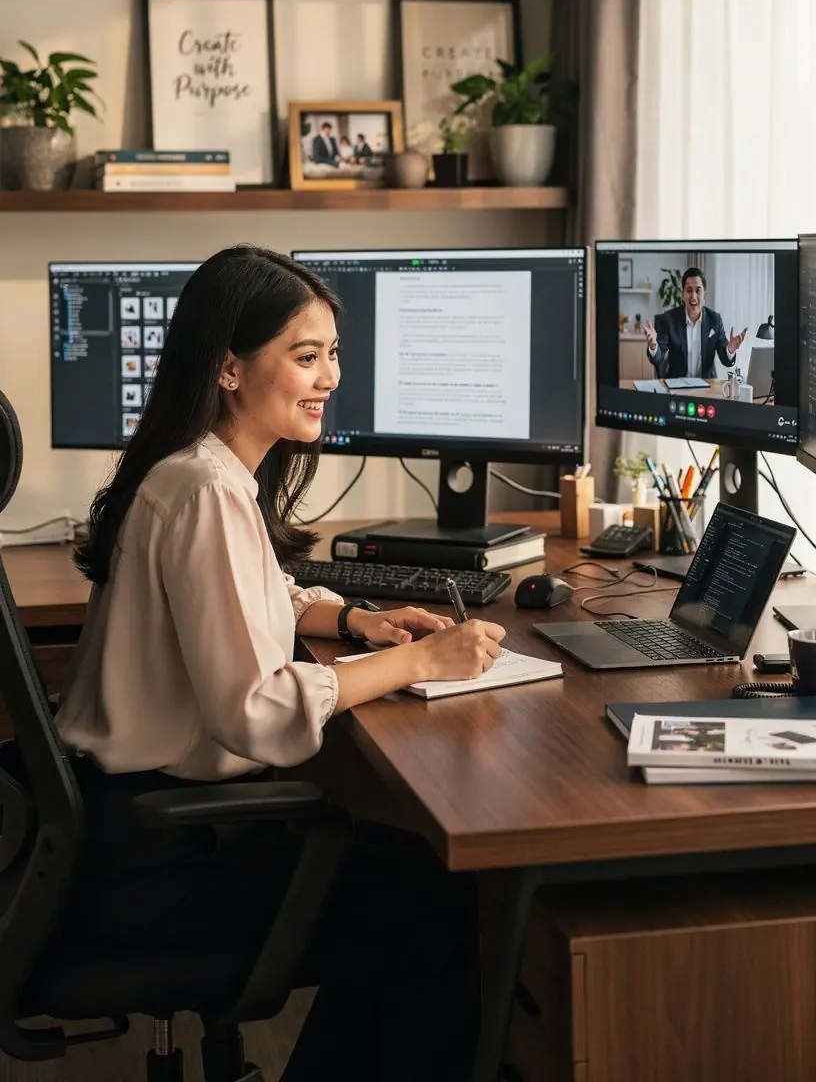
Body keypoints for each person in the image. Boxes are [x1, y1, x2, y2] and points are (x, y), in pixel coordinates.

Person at [56, 246, 499, 1082]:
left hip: (124, 827)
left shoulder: (199, 471)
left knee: (411, 892)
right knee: (432, 906)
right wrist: (421, 662)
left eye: (332, 355)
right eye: (305, 357)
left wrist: (353, 618)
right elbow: (253, 711)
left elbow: (258, 592)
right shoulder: (205, 490)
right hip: (155, 851)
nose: (328, 377)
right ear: (229, 366)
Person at [644, 267, 747, 379]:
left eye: (698, 290)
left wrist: (731, 349)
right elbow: (658, 359)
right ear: (682, 294)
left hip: (707, 386)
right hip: (677, 385)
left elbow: (726, 359)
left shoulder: (715, 320)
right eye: (689, 290)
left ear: (704, 295)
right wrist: (654, 346)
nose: (693, 296)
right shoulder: (669, 319)